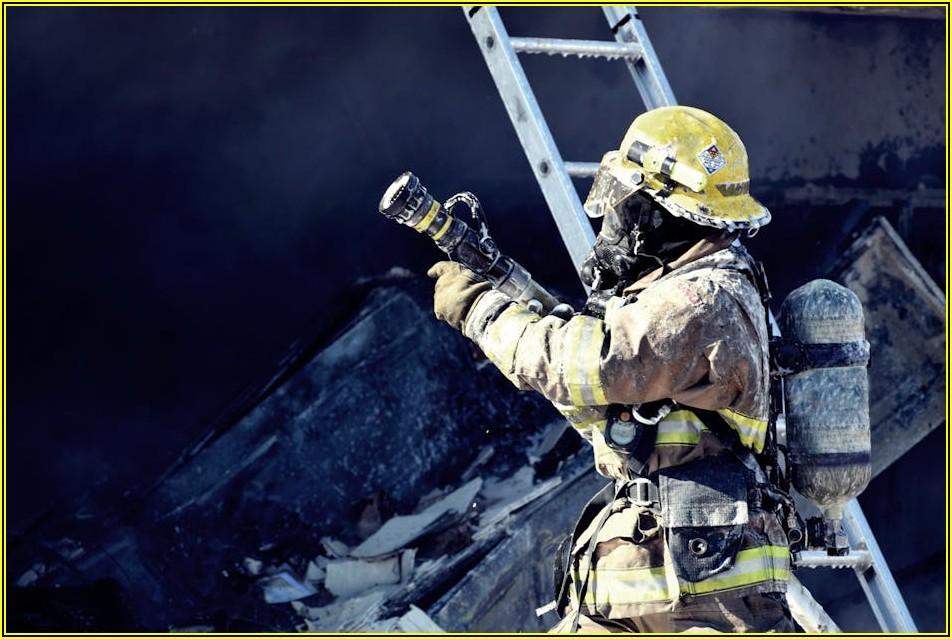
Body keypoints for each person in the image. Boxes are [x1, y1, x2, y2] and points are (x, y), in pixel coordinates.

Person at [427, 106, 795, 633]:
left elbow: (577, 364)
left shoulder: (701, 301)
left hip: (700, 597)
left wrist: (479, 309)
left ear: (659, 213)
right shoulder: (677, 298)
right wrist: (523, 304)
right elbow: (597, 402)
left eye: (626, 201)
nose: (614, 218)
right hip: (656, 588)